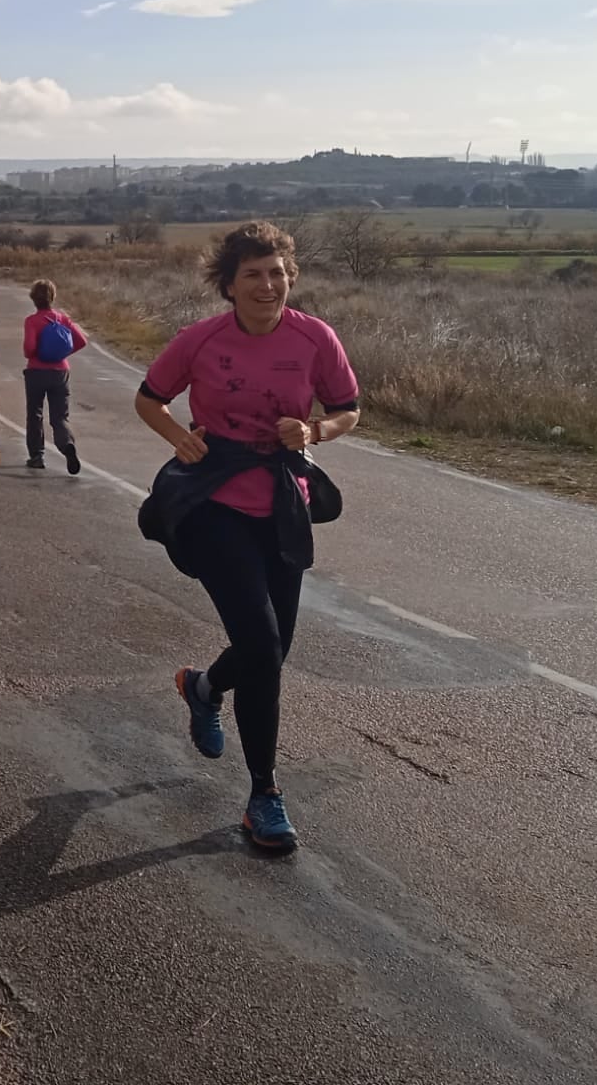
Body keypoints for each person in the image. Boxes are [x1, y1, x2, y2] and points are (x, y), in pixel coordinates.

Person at [132, 222, 360, 854]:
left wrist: (317, 432)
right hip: (214, 500)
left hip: (283, 501)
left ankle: (204, 688)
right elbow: (150, 398)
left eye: (278, 272)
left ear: (292, 277)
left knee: (272, 651)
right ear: (228, 285)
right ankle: (265, 796)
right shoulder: (200, 340)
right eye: (254, 274)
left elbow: (349, 409)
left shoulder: (316, 338)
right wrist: (180, 438)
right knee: (260, 643)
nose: (269, 284)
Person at [22, 279, 87, 475]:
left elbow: (28, 350)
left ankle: (37, 456)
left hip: (36, 372)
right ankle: (66, 444)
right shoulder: (63, 319)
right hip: (60, 372)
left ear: (34, 299)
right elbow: (81, 340)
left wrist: (41, 353)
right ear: (53, 297)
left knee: (35, 415)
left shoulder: (32, 321)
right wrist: (61, 353)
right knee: (60, 417)